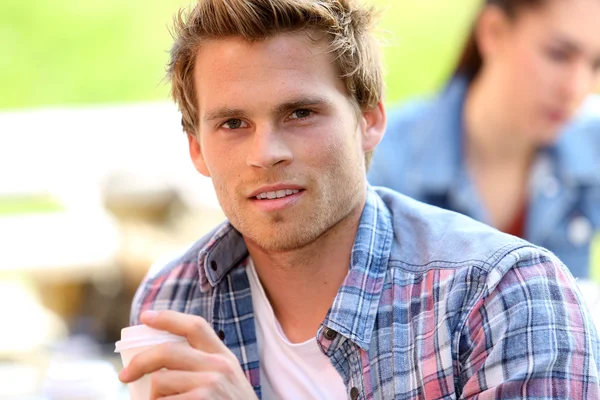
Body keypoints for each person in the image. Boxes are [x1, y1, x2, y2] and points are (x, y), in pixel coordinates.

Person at [119, 0, 600, 398]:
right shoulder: (174, 301)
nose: (266, 154)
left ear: (369, 120)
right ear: (197, 148)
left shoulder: (504, 296)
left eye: (301, 113)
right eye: (233, 123)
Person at [368, 0, 600, 280]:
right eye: (558, 55)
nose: (577, 88)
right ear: (494, 32)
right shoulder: (381, 161)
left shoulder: (590, 145)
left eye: (596, 65)